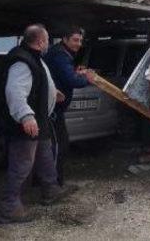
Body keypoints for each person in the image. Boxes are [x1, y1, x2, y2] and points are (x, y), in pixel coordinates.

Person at [0, 24, 70, 224]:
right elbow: (15, 91)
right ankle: (10, 207)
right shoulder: (22, 61)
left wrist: (54, 93)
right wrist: (26, 116)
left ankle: (50, 190)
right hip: (25, 124)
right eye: (46, 40)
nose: (47, 44)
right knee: (21, 165)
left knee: (45, 156)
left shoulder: (34, 57)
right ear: (41, 41)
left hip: (40, 122)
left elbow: (41, 80)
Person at [43, 25, 95, 186]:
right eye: (75, 40)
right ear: (64, 39)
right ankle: (54, 184)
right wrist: (88, 79)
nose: (78, 43)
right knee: (58, 146)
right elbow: (70, 80)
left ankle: (46, 181)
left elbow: (66, 74)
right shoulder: (60, 55)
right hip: (52, 110)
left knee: (51, 146)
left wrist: (76, 72)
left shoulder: (62, 53)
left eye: (80, 40)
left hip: (54, 108)